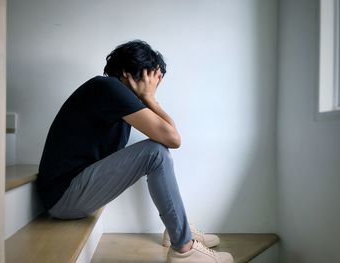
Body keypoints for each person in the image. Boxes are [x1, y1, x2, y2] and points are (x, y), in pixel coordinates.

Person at [36, 40, 234, 263]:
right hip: (64, 198)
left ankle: (179, 230)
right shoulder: (108, 88)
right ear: (128, 74)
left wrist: (147, 98)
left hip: (71, 193)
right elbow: (173, 138)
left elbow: (169, 138)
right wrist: (150, 99)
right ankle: (184, 249)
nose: (153, 85)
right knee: (155, 152)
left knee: (156, 150)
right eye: (150, 78)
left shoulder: (115, 99)